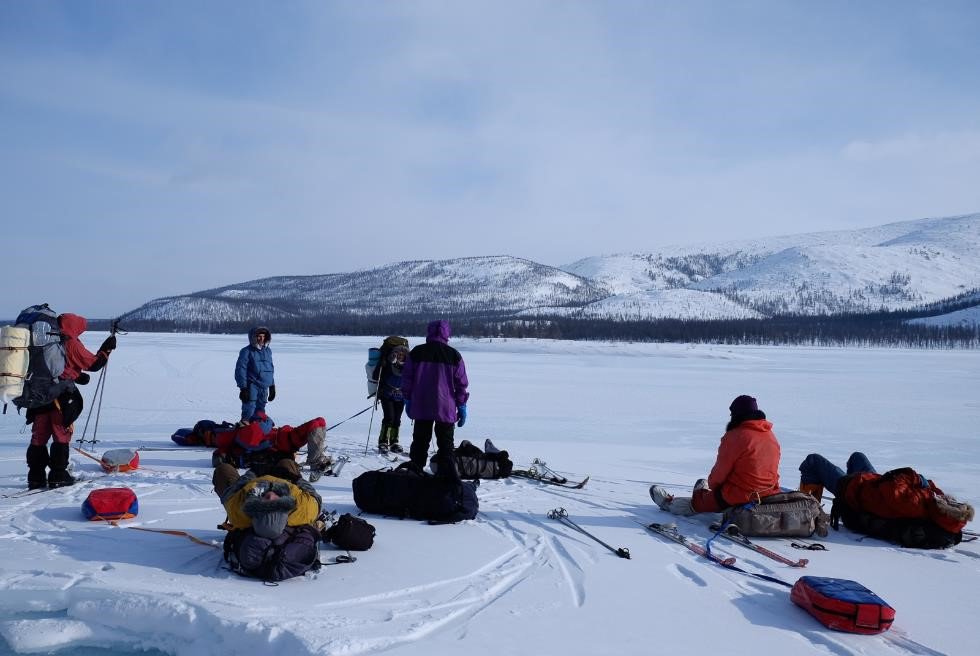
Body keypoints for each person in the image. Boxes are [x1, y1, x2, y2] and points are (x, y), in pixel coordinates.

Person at [799, 452, 974, 549]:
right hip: (872, 486)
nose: (951, 500)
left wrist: (913, 476)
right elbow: (928, 489)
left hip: (854, 493)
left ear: (947, 510)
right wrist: (926, 485)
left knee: (813, 461)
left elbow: (892, 488)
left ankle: (804, 506)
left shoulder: (915, 505)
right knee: (857, 457)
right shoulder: (934, 508)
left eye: (953, 503)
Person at [26, 313, 117, 489]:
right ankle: (58, 475)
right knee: (61, 434)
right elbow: (94, 364)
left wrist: (76, 375)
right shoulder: (71, 342)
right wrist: (106, 350)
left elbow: (57, 368)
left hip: (38, 396)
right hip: (61, 397)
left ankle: (35, 477)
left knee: (39, 436)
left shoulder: (43, 341)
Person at [650, 395, 781, 516]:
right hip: (769, 494)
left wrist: (713, 490)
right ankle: (703, 493)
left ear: (737, 415)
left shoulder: (735, 436)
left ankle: (669, 503)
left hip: (741, 496)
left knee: (696, 504)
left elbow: (720, 473)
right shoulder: (770, 436)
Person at [213, 458, 324, 581]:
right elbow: (315, 497)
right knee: (287, 462)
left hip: (254, 481)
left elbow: (230, 492)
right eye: (276, 503)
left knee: (223, 470)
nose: (270, 496)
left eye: (265, 503)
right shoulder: (302, 508)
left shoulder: (240, 512)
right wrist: (295, 478)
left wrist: (253, 473)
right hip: (286, 481)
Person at [401, 320, 469, 479]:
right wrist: (462, 405)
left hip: (421, 405)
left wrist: (408, 399)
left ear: (429, 332)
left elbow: (407, 379)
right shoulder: (454, 355)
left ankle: (414, 475)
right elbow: (461, 384)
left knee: (419, 443)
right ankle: (446, 479)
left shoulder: (417, 352)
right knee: (446, 446)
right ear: (447, 334)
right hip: (445, 407)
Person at [375, 339, 409, 453]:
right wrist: (384, 365)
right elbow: (376, 376)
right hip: (387, 394)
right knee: (389, 417)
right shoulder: (388, 364)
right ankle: (383, 441)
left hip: (401, 396)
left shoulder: (408, 366)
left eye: (402, 355)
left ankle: (394, 441)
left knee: (397, 419)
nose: (400, 357)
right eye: (398, 354)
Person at [235, 327, 275, 422]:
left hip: (264, 387)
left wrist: (272, 386)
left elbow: (270, 369)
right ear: (253, 337)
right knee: (249, 409)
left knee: (260, 412)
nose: (261, 339)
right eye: (259, 336)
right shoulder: (246, 351)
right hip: (252, 386)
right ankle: (244, 430)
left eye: (263, 336)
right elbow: (240, 370)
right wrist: (243, 388)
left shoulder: (268, 351)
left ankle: (257, 432)